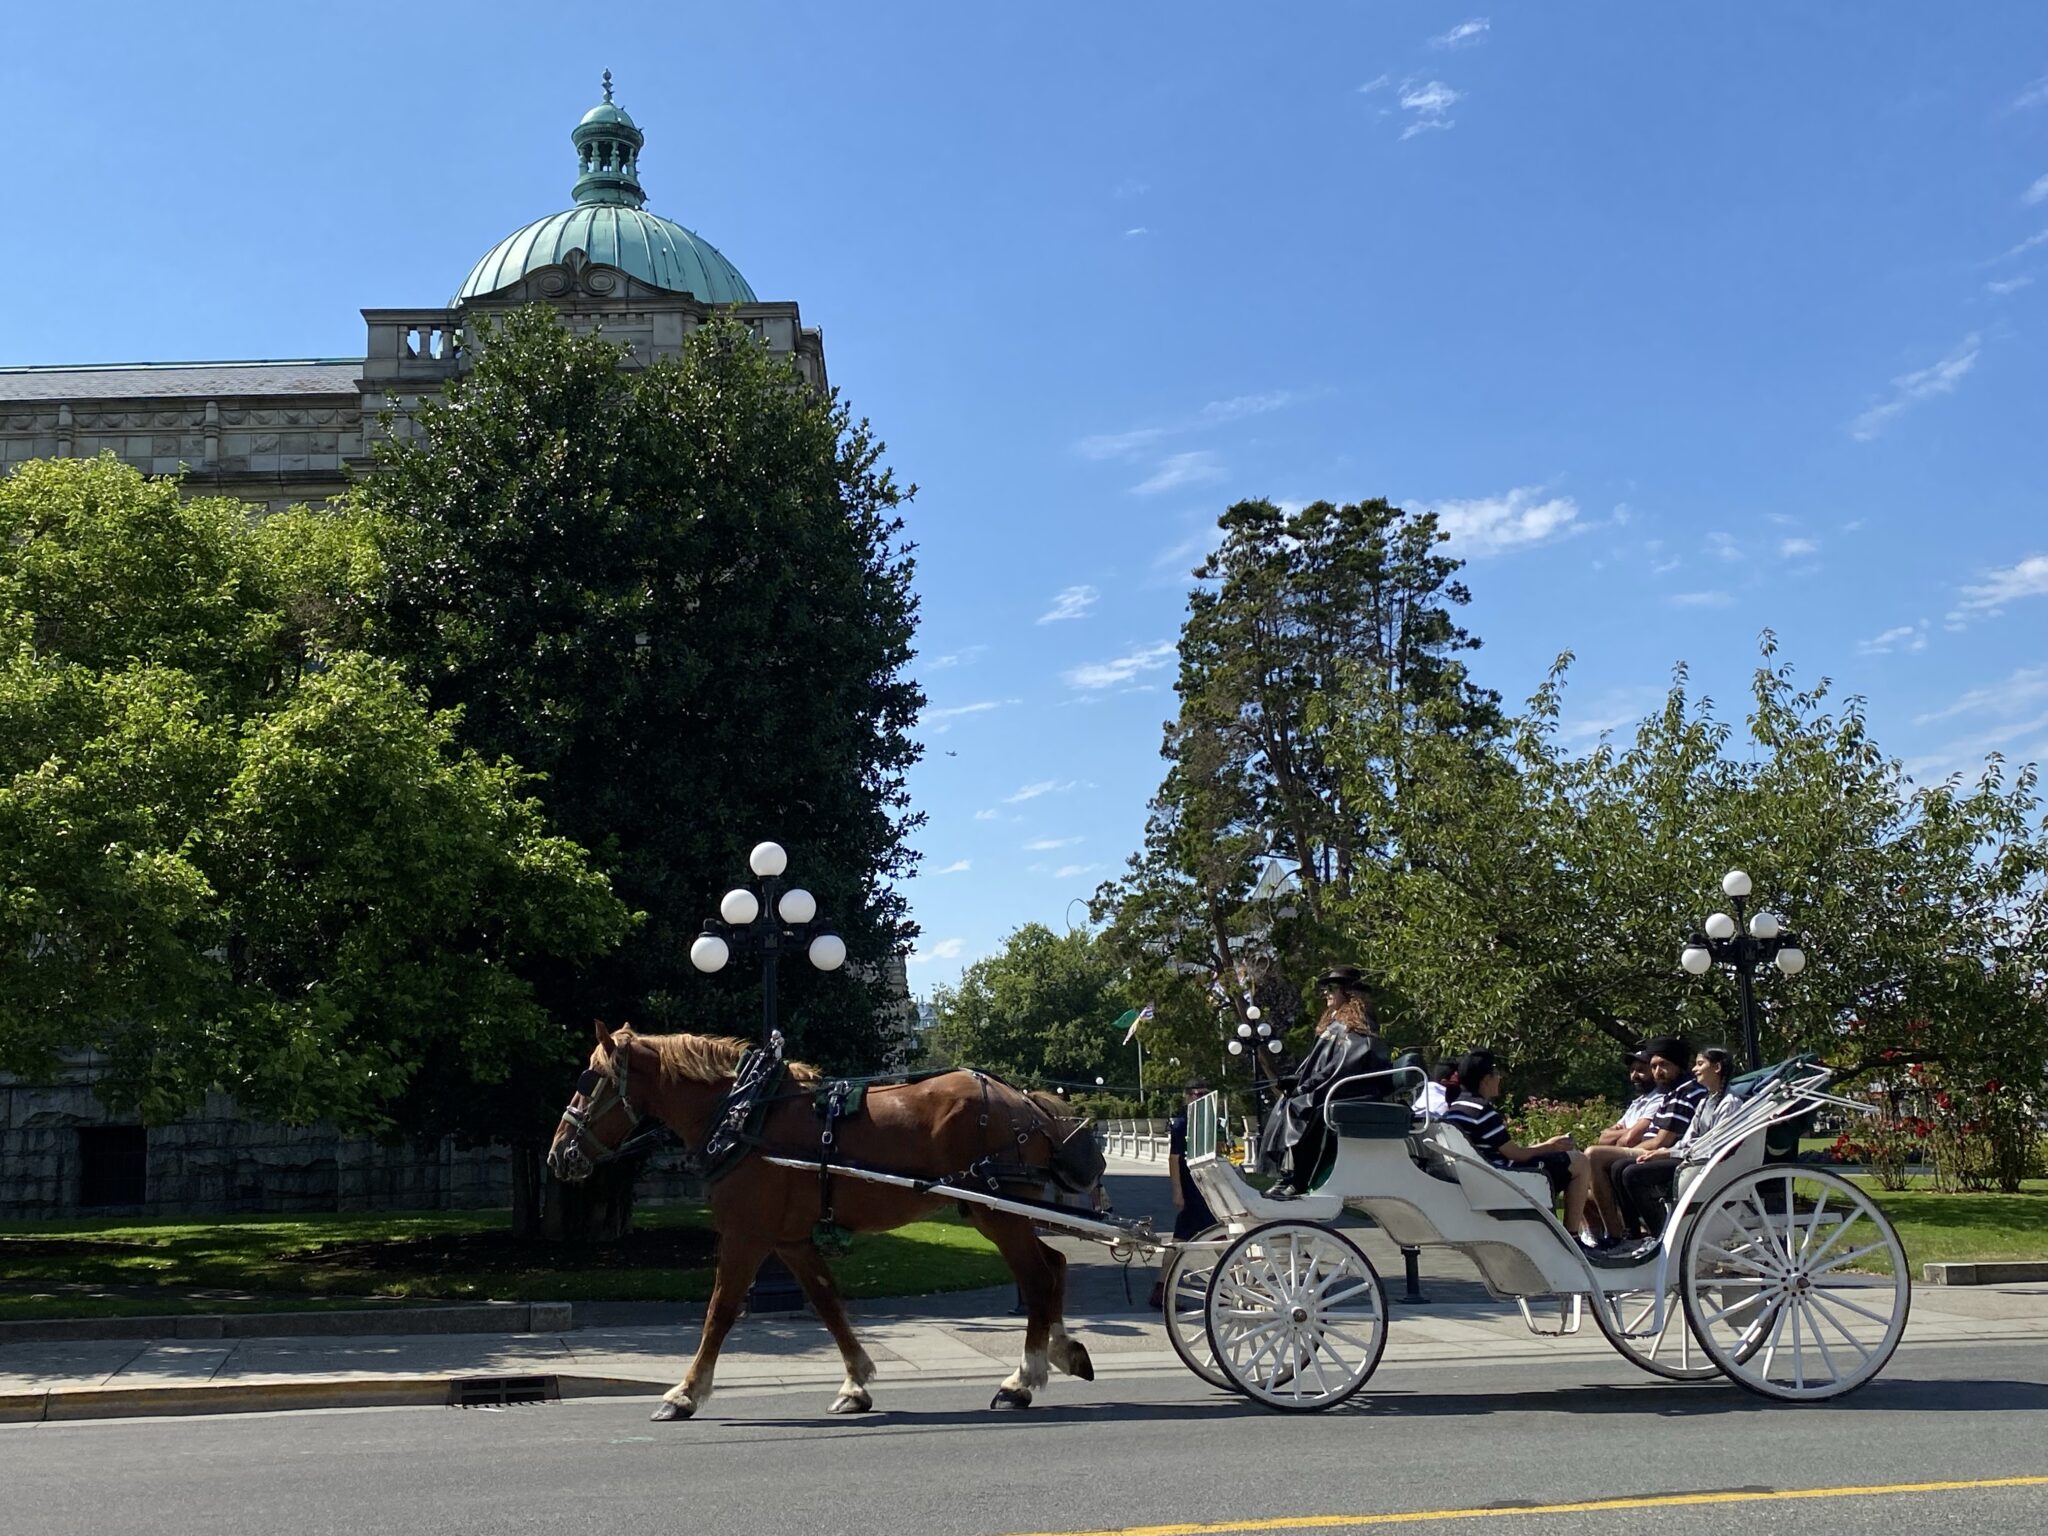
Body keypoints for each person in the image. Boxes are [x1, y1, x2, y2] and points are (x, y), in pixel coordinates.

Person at [1261, 966, 1390, 1200]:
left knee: (1303, 1106)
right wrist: (1297, 1081)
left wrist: (1309, 1085)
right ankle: (1288, 1174)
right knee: (1289, 1101)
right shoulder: (1334, 1024)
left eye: (1331, 988)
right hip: (1334, 1085)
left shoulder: (1357, 1024)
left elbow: (1344, 1065)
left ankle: (1300, 1177)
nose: (1326, 994)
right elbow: (1318, 1064)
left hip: (1352, 1089)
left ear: (1348, 992)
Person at [1441, 1049, 1595, 1241]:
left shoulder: (1454, 1111)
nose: (1499, 1079)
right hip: (1503, 1178)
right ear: (1486, 1079)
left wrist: (1541, 1147)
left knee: (1563, 1160)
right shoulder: (1482, 1112)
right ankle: (1572, 1238)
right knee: (1579, 1161)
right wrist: (1550, 1145)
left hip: (1481, 1176)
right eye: (1496, 1074)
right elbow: (1516, 1155)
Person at [1612, 1046, 1736, 1236]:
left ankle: (1661, 1234)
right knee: (1619, 1167)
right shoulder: (1705, 1102)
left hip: (1705, 1164)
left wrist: (1669, 1152)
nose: (1694, 1069)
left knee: (1632, 1174)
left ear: (1717, 1067)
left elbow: (1713, 1145)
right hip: (1690, 1156)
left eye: (1700, 1064)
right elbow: (1690, 1138)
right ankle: (1632, 1233)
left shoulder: (1729, 1104)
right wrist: (1666, 1152)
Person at [1582, 1046, 1668, 1244]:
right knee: (1578, 1176)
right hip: (1626, 1151)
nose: (1634, 1076)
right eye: (1631, 1071)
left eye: (1641, 1070)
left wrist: (1622, 1135)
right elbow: (1604, 1137)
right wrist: (1623, 1134)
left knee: (1593, 1155)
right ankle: (1594, 1234)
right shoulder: (1637, 1103)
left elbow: (1629, 1140)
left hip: (1646, 1152)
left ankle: (1617, 1236)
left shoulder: (1659, 1099)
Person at [1148, 1078, 1220, 1309]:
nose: (1199, 1098)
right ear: (1187, 1097)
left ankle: (1161, 1289)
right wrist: (1177, 1191)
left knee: (1182, 1240)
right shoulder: (1181, 1124)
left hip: (1207, 1187)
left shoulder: (1212, 1123)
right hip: (1192, 1189)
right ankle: (1233, 1283)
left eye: (1204, 1094)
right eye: (1195, 1094)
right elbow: (1174, 1159)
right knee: (1219, 1236)